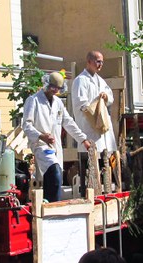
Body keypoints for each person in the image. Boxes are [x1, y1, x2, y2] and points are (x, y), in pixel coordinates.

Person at [22, 72, 91, 202]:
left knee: (53, 178)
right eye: (53, 87)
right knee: (54, 173)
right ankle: (54, 207)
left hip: (55, 147)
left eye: (58, 89)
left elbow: (68, 122)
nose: (54, 91)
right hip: (41, 145)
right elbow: (26, 125)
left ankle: (48, 205)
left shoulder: (58, 103)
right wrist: (41, 136)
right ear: (46, 84)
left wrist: (83, 139)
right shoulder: (34, 100)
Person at [72, 51, 117, 193]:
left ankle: (108, 186)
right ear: (89, 61)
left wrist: (105, 97)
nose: (100, 64)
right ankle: (90, 190)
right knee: (90, 161)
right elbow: (81, 104)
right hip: (89, 126)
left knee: (106, 157)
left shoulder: (100, 80)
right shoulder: (80, 80)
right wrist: (94, 114)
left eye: (102, 62)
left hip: (101, 126)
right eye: (98, 61)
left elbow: (110, 97)